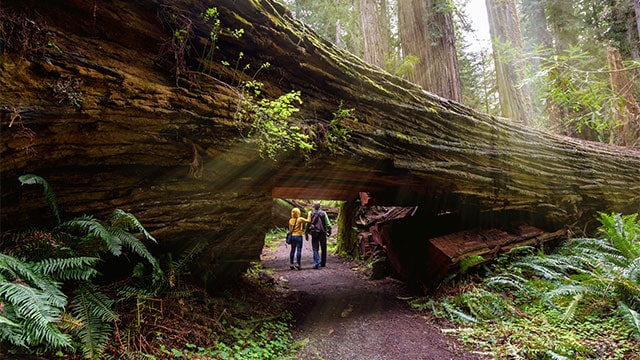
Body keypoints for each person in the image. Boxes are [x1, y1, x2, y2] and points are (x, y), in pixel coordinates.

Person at [306, 201, 331, 269]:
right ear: (320, 206)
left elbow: (308, 223)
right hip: (322, 232)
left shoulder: (311, 213)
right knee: (323, 248)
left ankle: (317, 262)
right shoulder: (324, 213)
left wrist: (306, 232)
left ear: (313, 206)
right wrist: (329, 231)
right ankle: (323, 263)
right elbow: (328, 224)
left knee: (315, 248)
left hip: (314, 232)